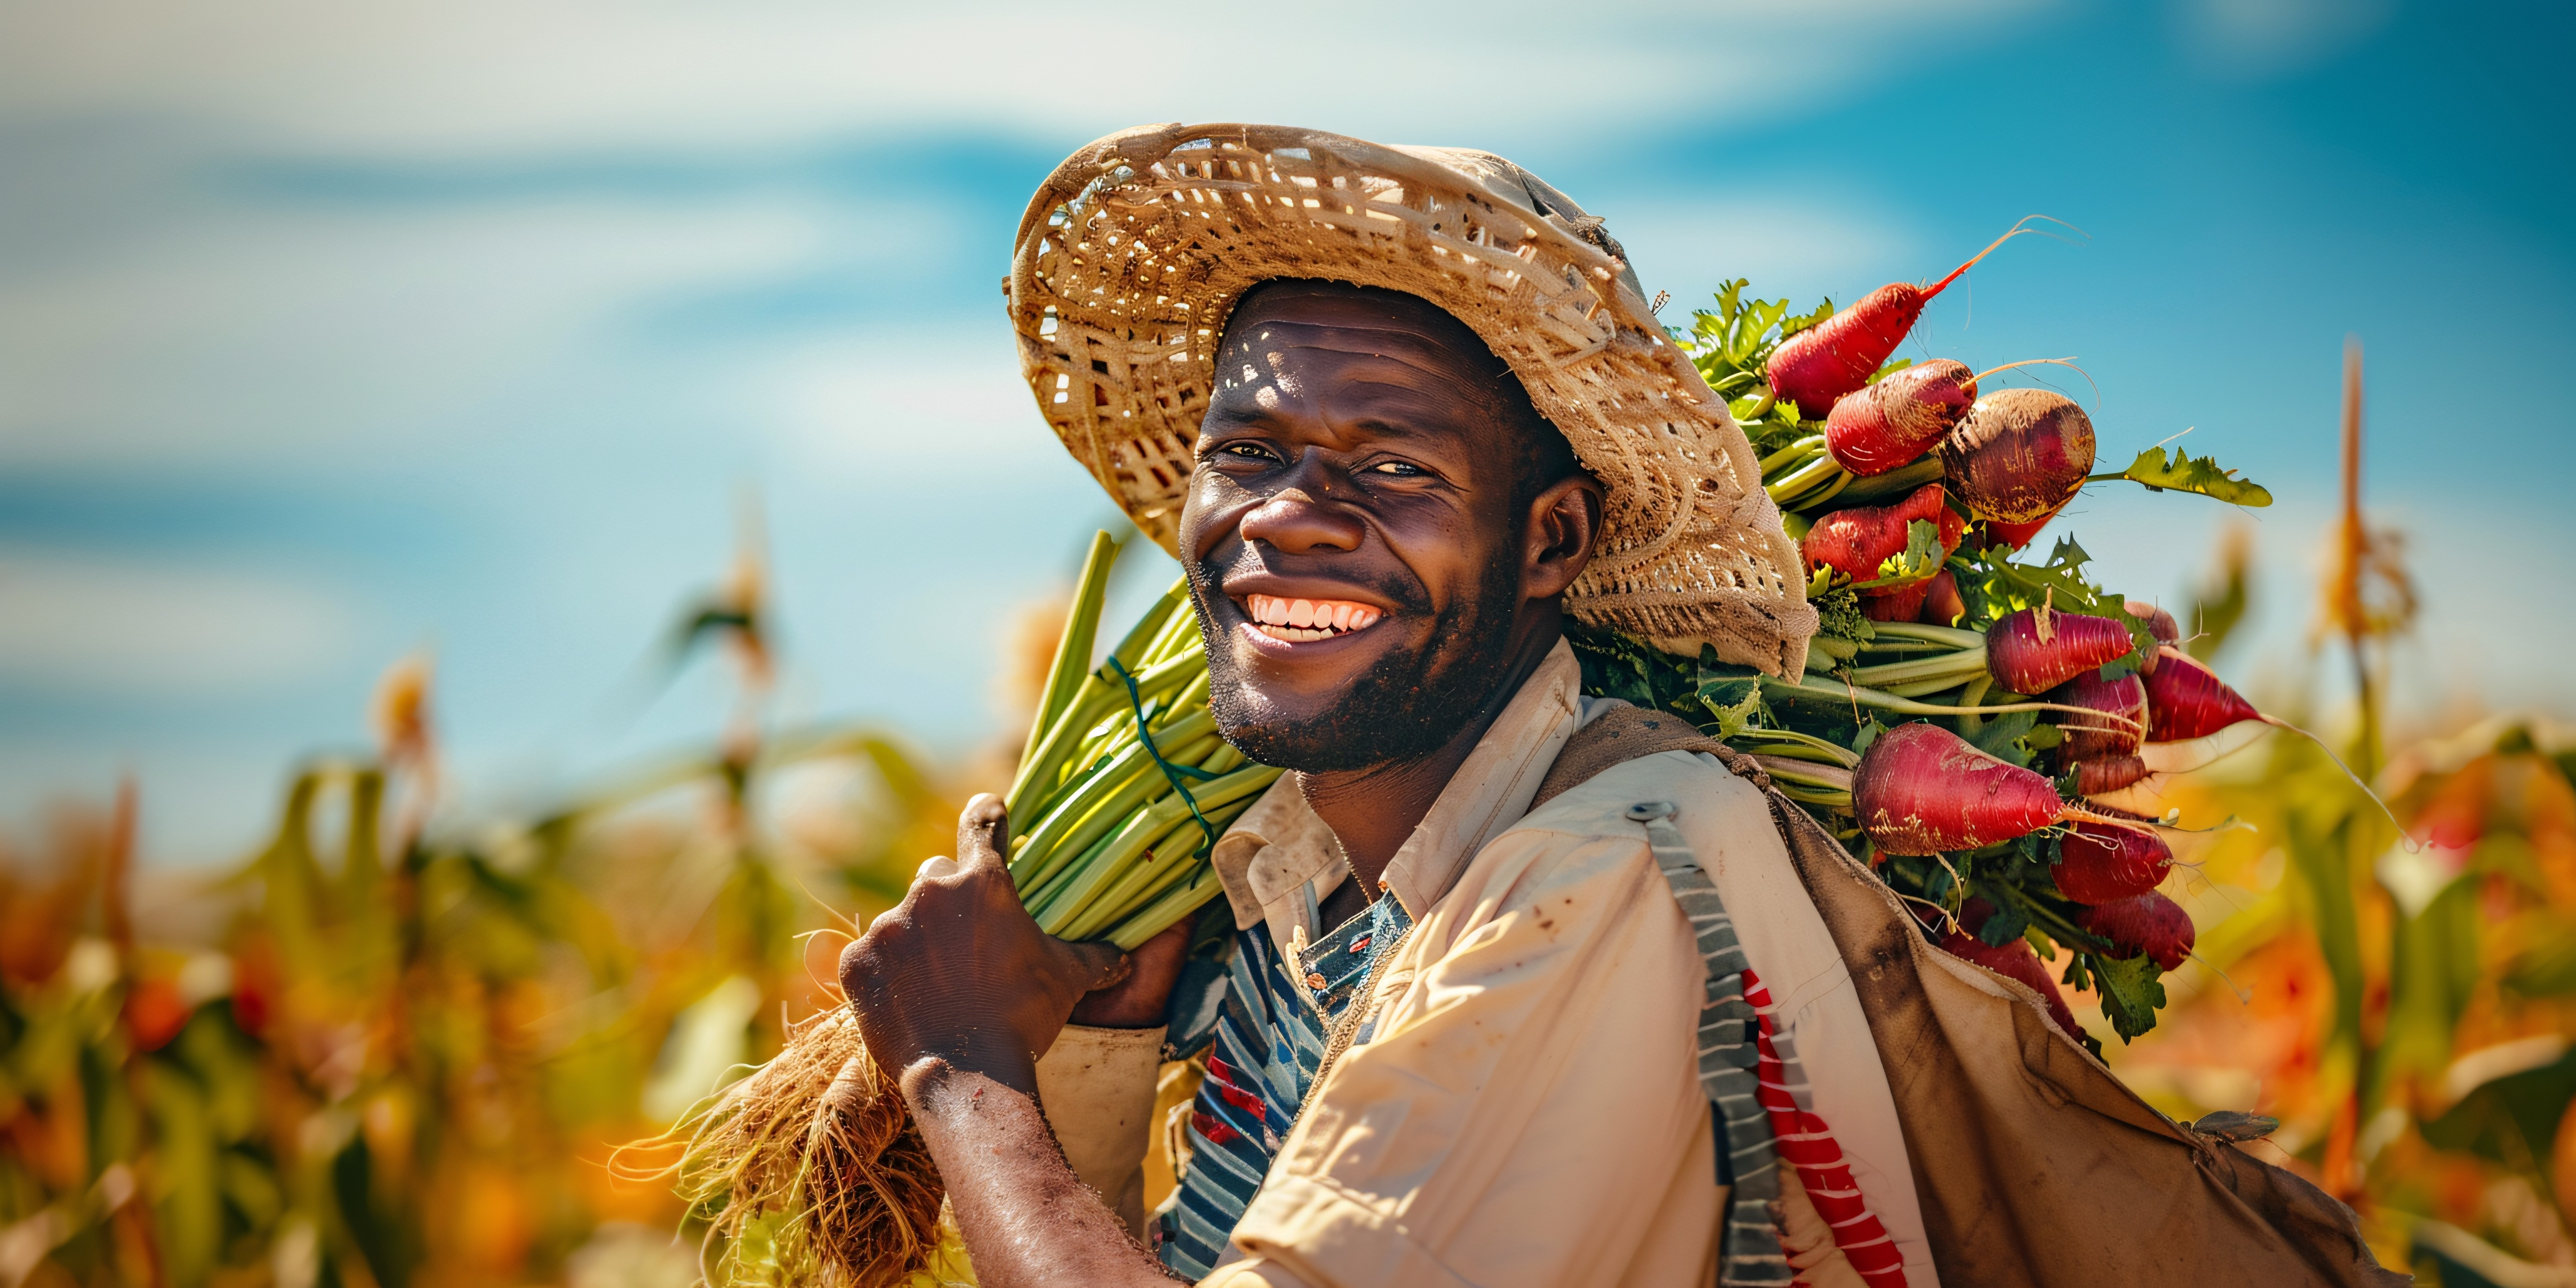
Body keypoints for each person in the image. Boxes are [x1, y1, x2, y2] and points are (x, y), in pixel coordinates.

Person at [841, 124, 2404, 1288]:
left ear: (1554, 543)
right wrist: (1101, 1032)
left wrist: (963, 1077)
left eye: (1393, 466)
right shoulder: (1299, 891)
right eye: (1248, 453)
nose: (1290, 518)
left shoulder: (1599, 882)